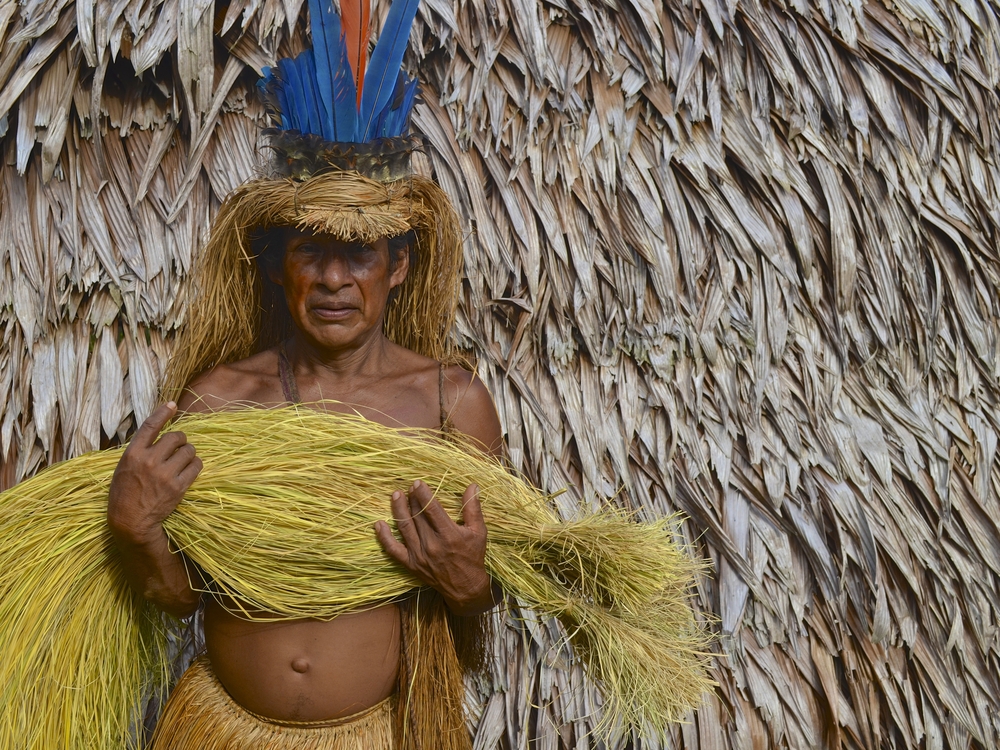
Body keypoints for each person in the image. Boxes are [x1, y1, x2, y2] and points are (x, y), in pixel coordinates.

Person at [106, 2, 502, 744]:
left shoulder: (451, 406)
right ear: (278, 265)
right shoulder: (219, 400)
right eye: (309, 251)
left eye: (358, 254)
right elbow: (181, 599)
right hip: (219, 727)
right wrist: (137, 532)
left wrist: (471, 583)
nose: (332, 279)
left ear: (399, 267)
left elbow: (477, 627)